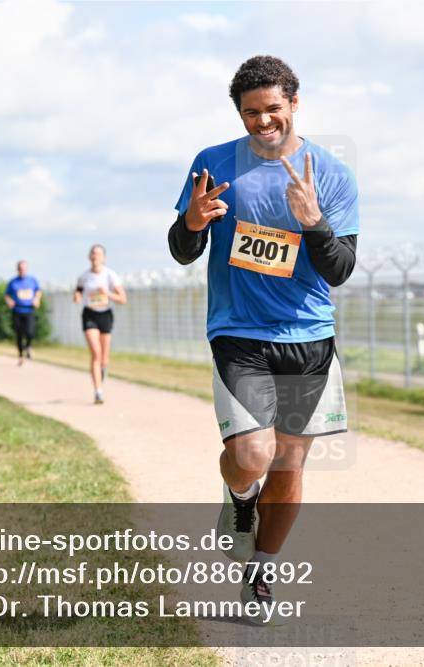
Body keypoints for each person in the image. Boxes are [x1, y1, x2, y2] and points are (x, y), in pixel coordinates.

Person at [168, 55, 358, 622]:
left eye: (273, 109)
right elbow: (182, 250)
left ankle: (260, 573)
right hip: (238, 331)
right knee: (252, 455)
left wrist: (313, 222)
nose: (263, 121)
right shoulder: (213, 163)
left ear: (294, 104)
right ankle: (239, 500)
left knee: (289, 468)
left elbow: (340, 267)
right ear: (240, 113)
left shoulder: (329, 173)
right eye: (251, 113)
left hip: (307, 336)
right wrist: (194, 223)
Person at [73, 245, 126, 404]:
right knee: (95, 353)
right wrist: (76, 296)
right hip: (90, 314)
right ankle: (98, 391)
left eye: (99, 254)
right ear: (89, 257)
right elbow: (78, 291)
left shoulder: (110, 275)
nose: (96, 257)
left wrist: (107, 294)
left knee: (104, 358)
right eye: (93, 254)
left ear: (104, 257)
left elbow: (123, 299)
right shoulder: (84, 276)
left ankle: (102, 369)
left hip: (105, 315)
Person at [4, 260, 42, 366]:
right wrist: (9, 301)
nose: (22, 271)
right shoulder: (13, 282)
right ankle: (21, 356)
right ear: (17, 269)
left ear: (27, 269)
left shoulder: (32, 280)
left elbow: (38, 291)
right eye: (20, 269)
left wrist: (37, 299)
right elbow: (6, 295)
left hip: (29, 310)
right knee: (19, 334)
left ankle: (28, 346)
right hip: (17, 310)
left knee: (30, 332)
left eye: (24, 269)